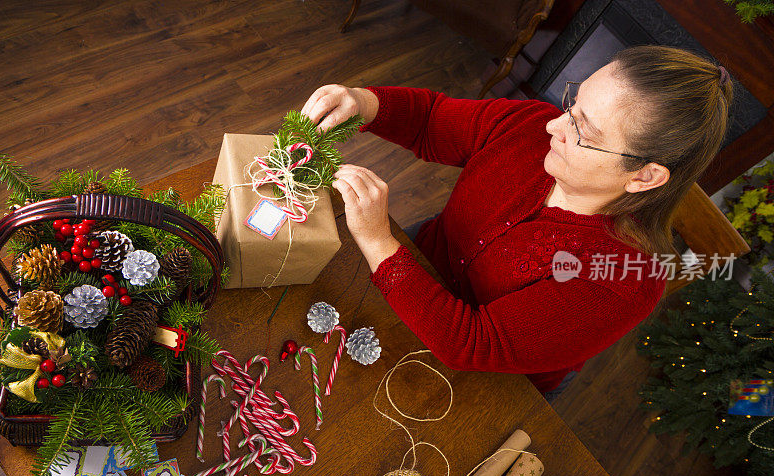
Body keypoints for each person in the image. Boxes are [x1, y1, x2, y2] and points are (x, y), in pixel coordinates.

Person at [299, 45, 733, 401]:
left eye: (584, 132)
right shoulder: (529, 129)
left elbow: (470, 343)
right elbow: (433, 121)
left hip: (491, 383)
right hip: (419, 261)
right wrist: (363, 102)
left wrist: (377, 240)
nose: (553, 125)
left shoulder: (621, 283)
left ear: (645, 176)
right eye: (572, 104)